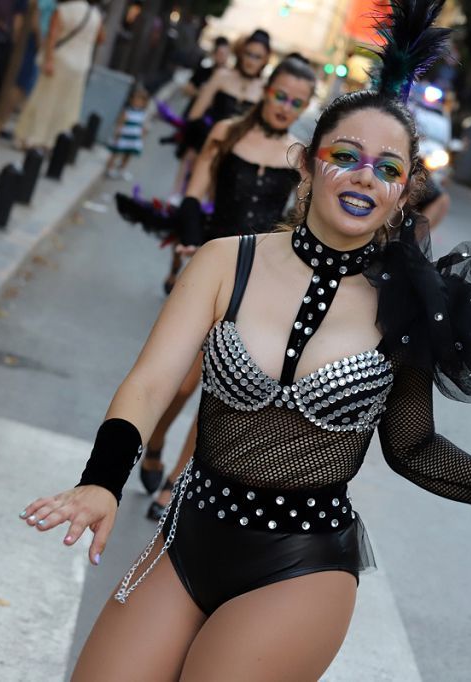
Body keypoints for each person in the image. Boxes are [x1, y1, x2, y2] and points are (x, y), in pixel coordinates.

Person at [21, 3, 471, 678]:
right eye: (346, 157)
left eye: (387, 169)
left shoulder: (408, 305)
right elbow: (152, 381)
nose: (365, 176)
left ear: (404, 193)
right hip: (190, 535)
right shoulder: (227, 262)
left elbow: (412, 446)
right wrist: (102, 481)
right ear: (307, 166)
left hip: (302, 562)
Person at [115, 56, 316, 518]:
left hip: (260, 281)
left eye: (296, 103)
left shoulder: (299, 156)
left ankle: (176, 481)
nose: (285, 107)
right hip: (211, 267)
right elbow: (195, 190)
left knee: (217, 388)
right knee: (183, 383)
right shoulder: (225, 132)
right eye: (280, 96)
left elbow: (300, 221)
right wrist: (188, 239)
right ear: (266, 90)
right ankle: (158, 438)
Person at [168, 29, 269, 197]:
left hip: (237, 160)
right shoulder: (222, 76)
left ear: (265, 60)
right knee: (190, 200)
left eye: (257, 56)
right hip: (207, 148)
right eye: (248, 54)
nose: (251, 61)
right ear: (241, 53)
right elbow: (195, 114)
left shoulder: (265, 91)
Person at [13, 0, 103, 150]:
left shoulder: (63, 9)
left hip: (60, 61)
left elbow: (52, 35)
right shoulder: (95, 15)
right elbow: (101, 38)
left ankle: (31, 137)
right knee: (67, 105)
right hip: (80, 65)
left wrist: (49, 59)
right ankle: (54, 142)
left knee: (44, 99)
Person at [105, 84, 149, 181]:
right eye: (136, 99)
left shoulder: (142, 113)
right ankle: (109, 169)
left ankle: (121, 169)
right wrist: (117, 132)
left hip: (133, 138)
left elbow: (141, 125)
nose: (138, 102)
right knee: (116, 153)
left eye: (141, 100)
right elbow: (120, 122)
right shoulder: (127, 111)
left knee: (128, 154)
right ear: (131, 100)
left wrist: (143, 133)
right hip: (124, 136)